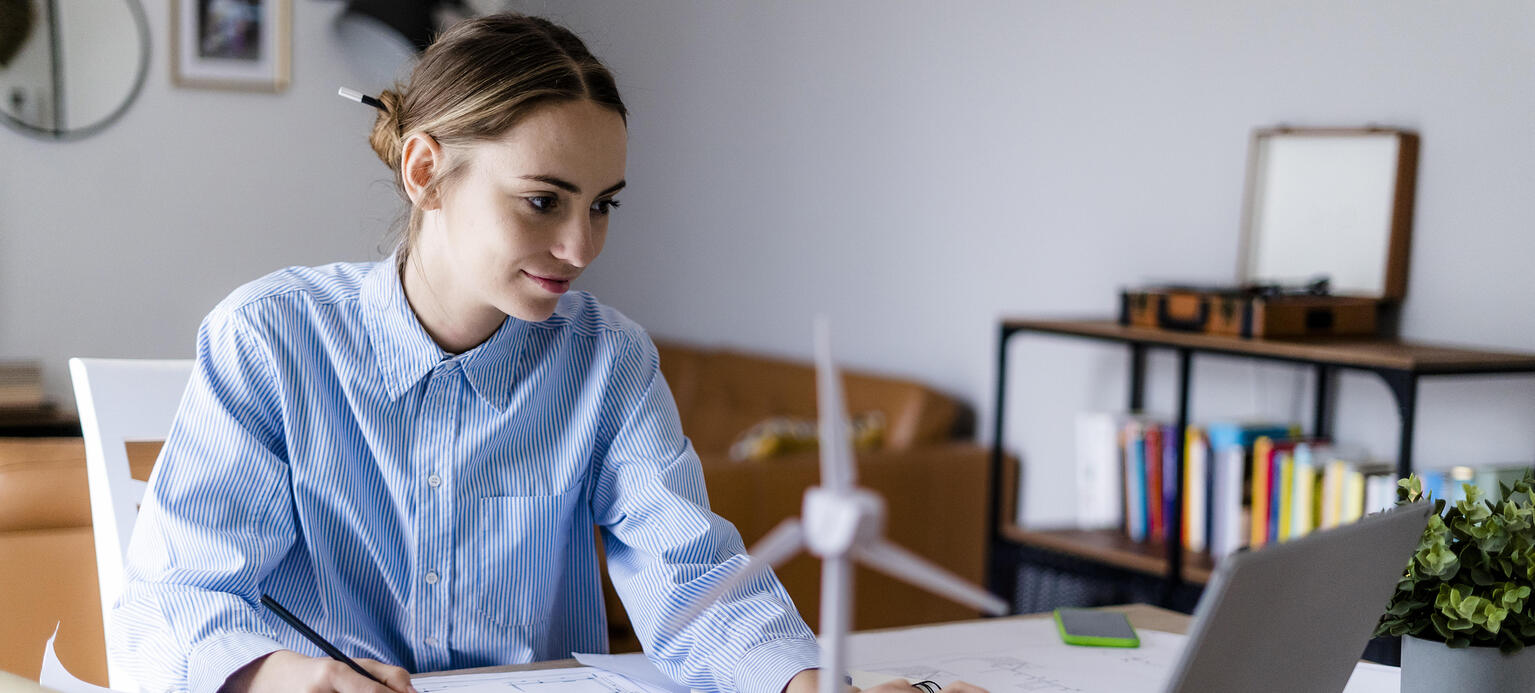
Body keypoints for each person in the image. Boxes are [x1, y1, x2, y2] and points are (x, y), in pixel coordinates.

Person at [111, 12, 986, 693]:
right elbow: (175, 593)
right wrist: (266, 672)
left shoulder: (609, 363)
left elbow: (691, 578)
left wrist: (801, 681)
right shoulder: (269, 337)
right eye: (543, 201)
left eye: (604, 204)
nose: (580, 246)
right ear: (425, 171)